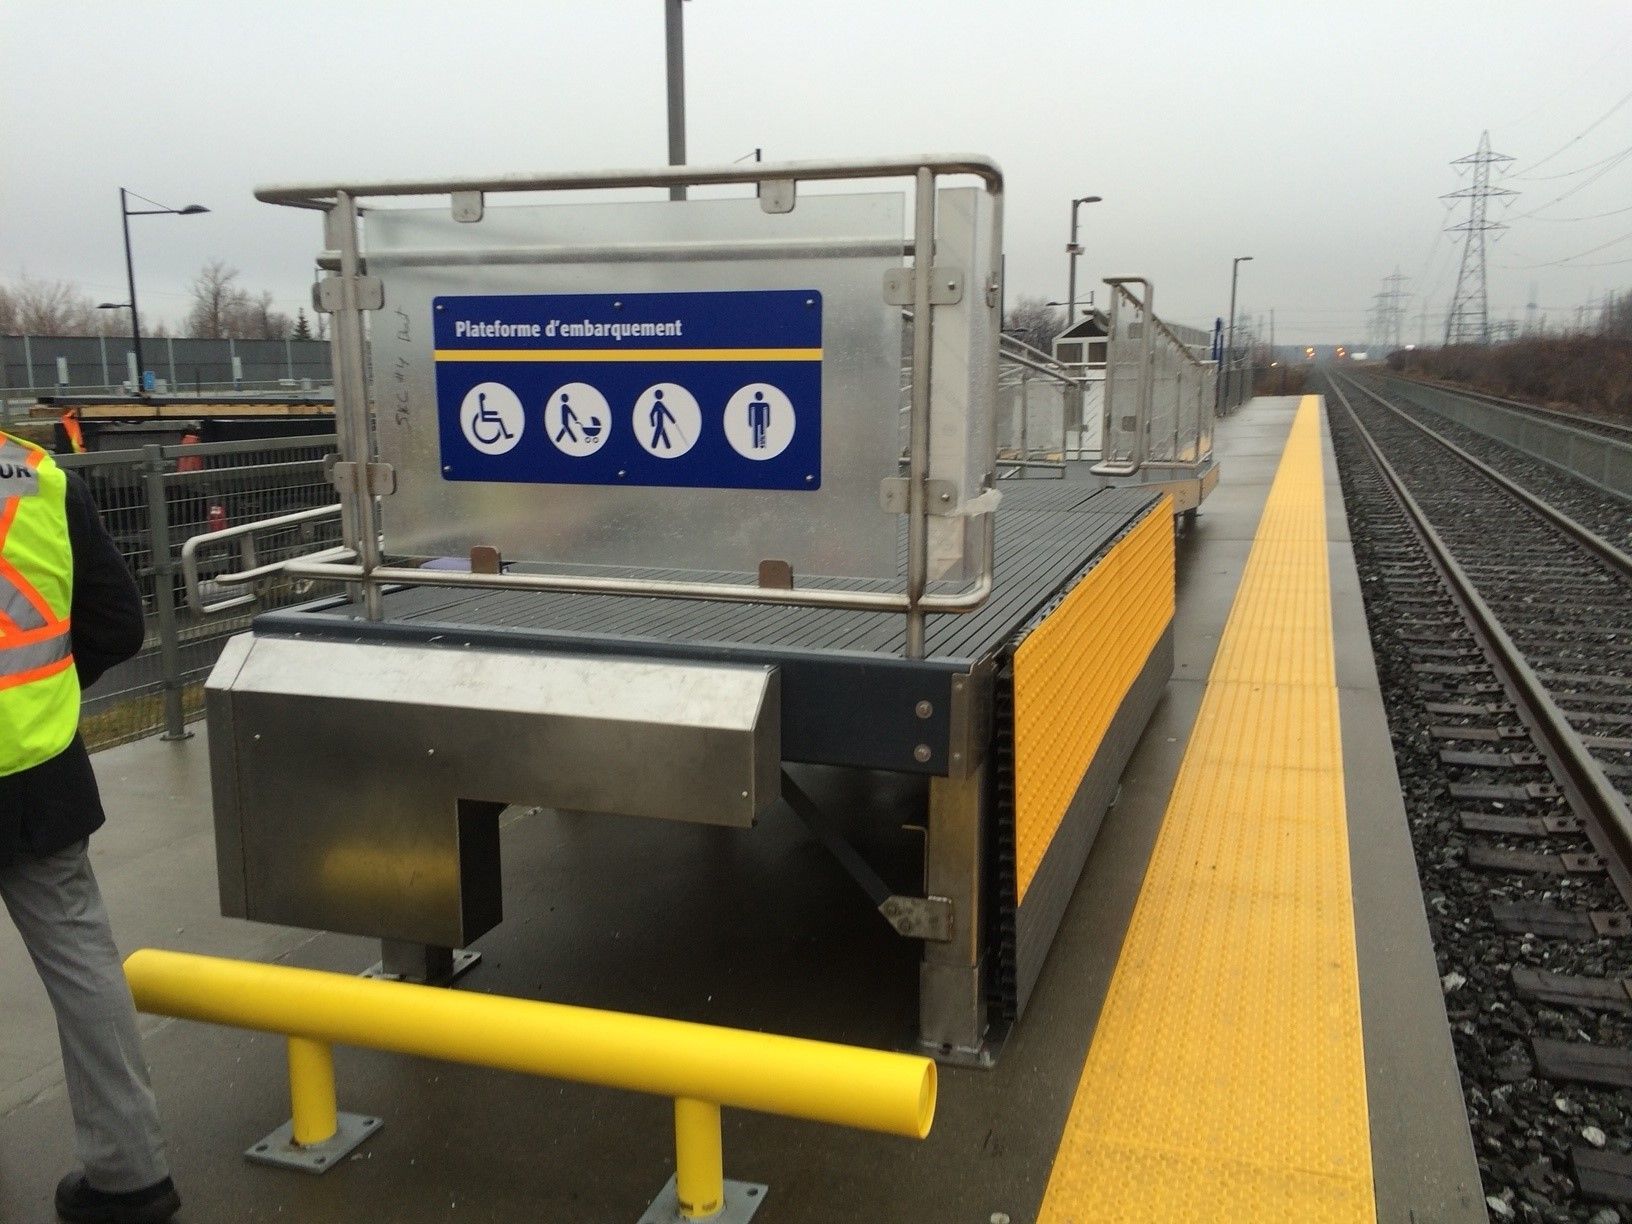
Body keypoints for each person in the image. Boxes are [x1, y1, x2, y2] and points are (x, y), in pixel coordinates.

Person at [0, 429, 180, 1224]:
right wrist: (47, 697)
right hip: (38, 772)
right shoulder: (37, 474)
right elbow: (116, 625)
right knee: (82, 965)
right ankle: (131, 1175)